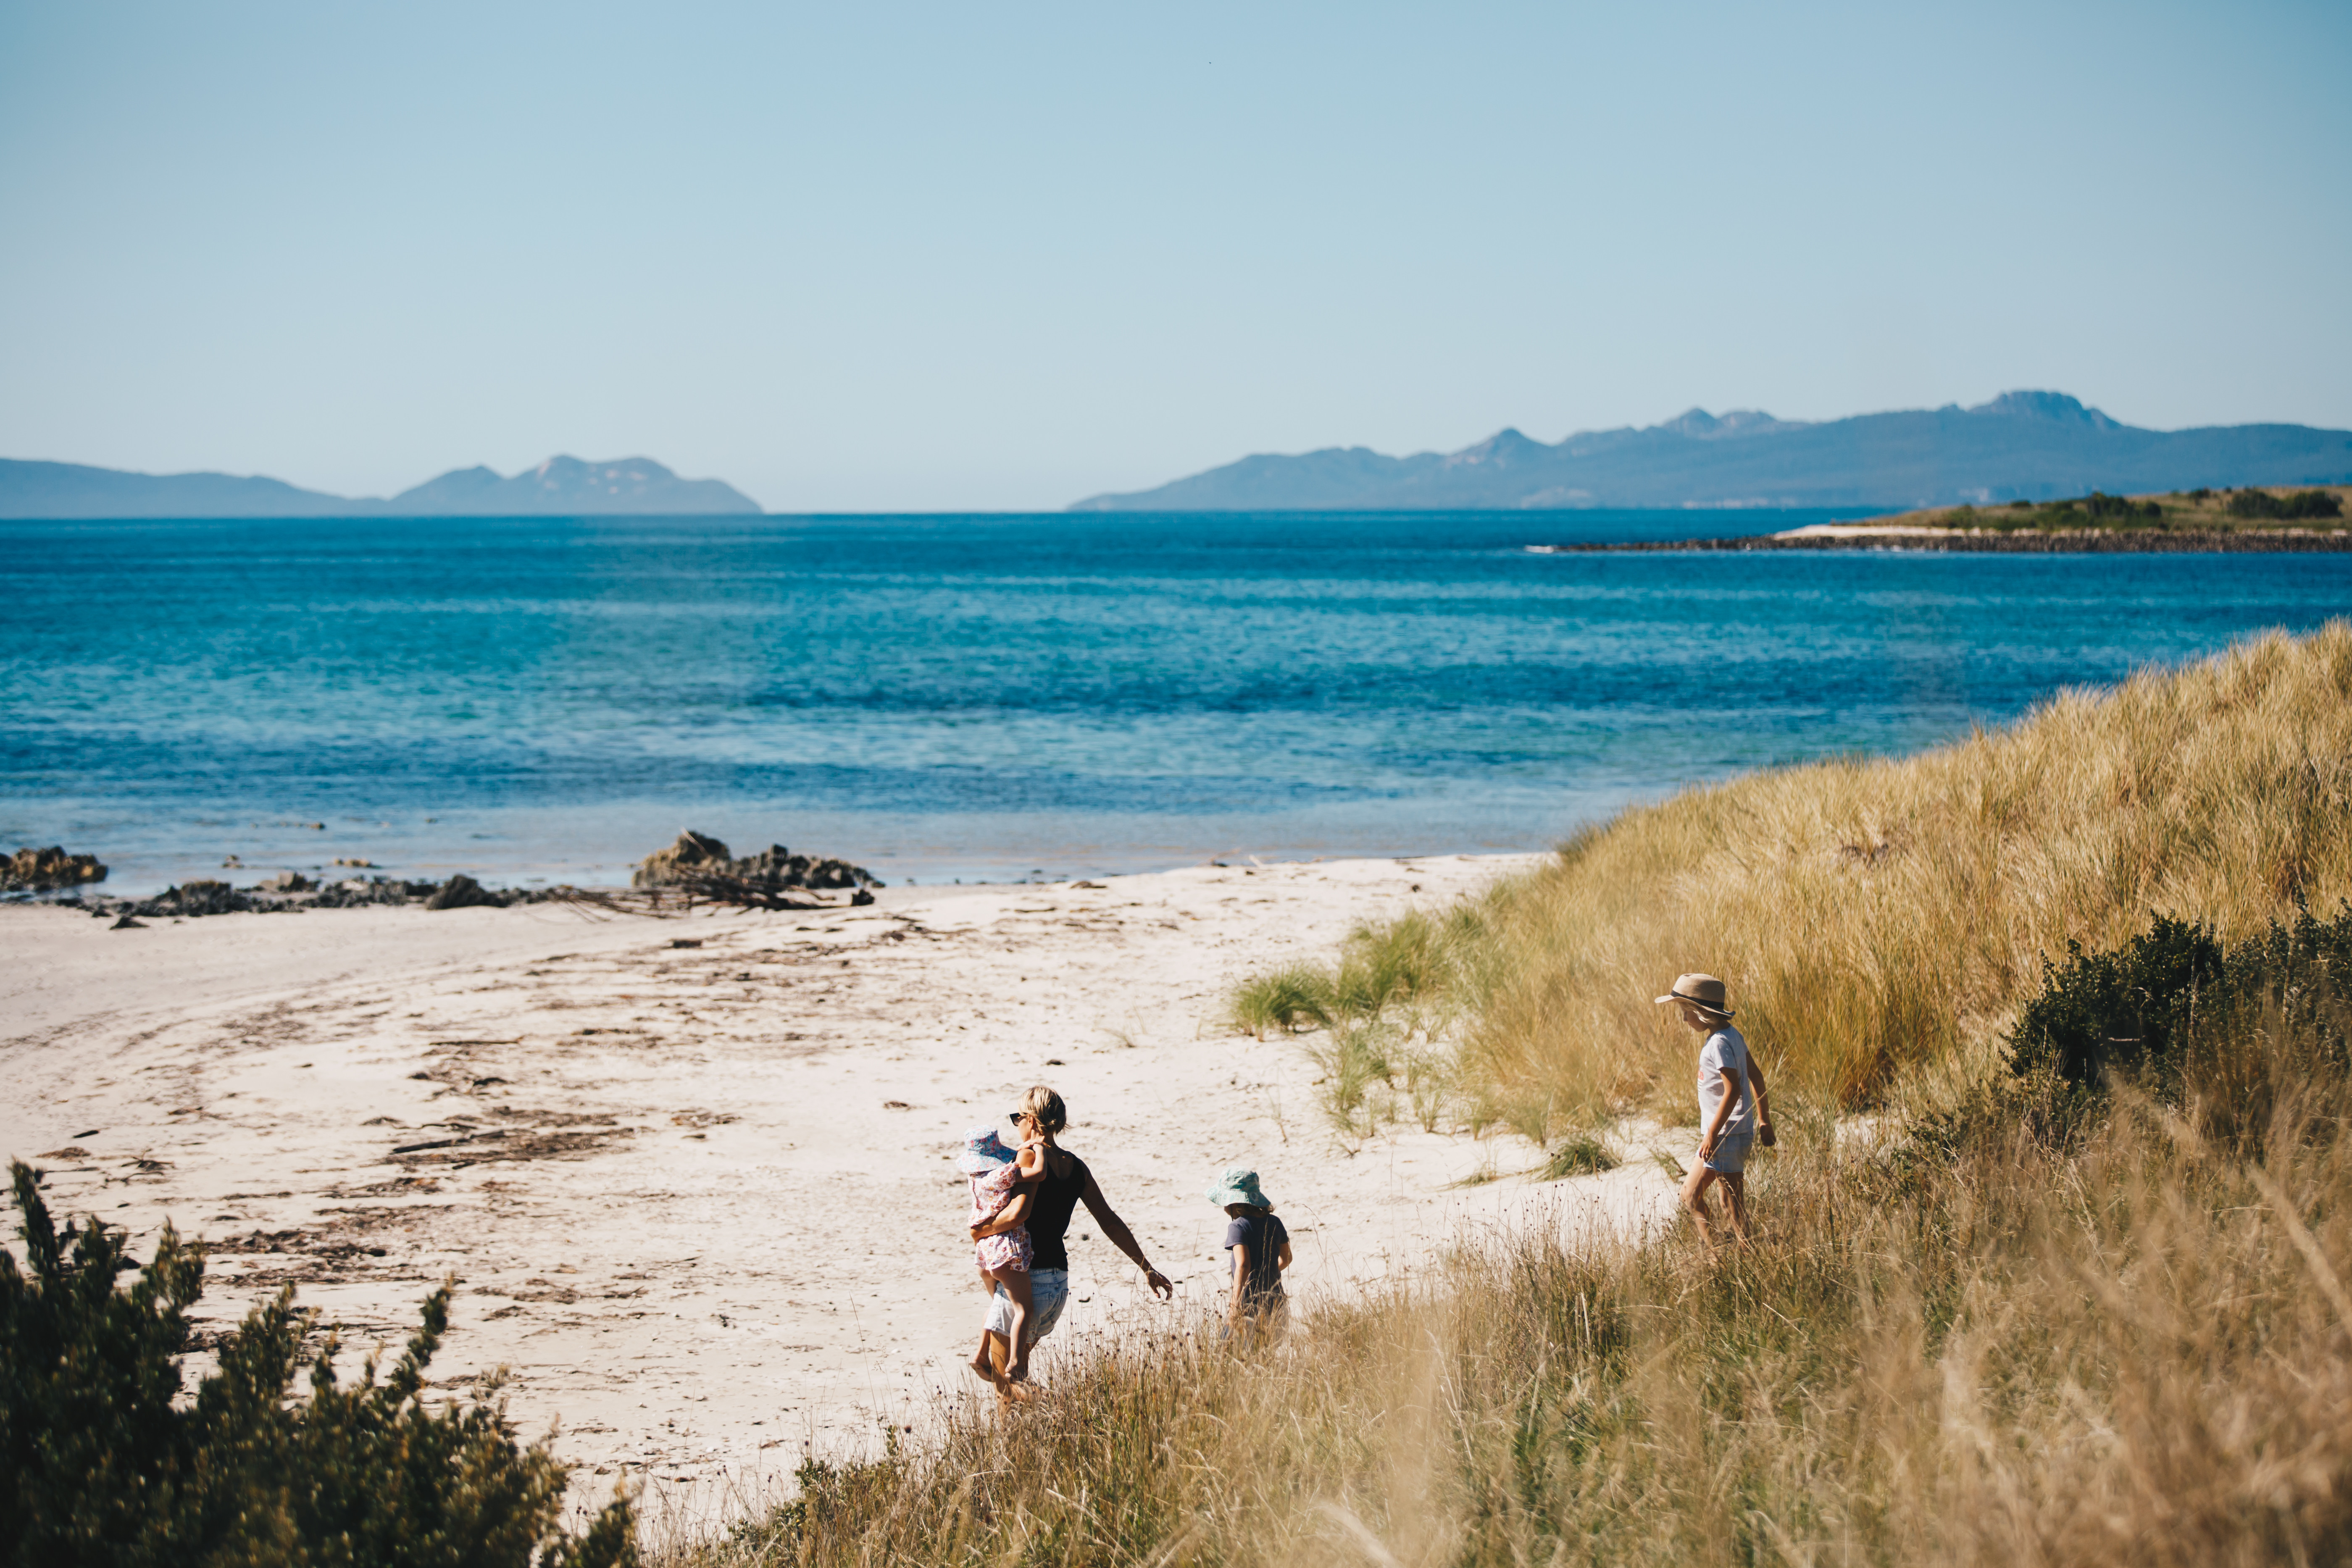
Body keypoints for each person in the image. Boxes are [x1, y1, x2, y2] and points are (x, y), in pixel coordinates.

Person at [968, 1085, 1174, 1392]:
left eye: (1018, 1118)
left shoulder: (1028, 1156)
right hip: (1057, 1284)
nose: (1017, 1126)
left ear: (1033, 1122)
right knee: (1015, 1374)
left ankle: (1051, 1406)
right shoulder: (1075, 1166)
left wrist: (979, 1231)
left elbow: (1018, 1215)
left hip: (1027, 1278)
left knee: (1006, 1389)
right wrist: (1146, 1266)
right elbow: (1109, 1221)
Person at [1655, 972, 1774, 1253]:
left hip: (1724, 1137)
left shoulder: (1718, 1044)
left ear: (1702, 1013)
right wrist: (1764, 1119)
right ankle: (1716, 1254)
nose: (1684, 1019)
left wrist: (1711, 1133)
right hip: (1726, 1136)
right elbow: (1757, 1077)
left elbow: (1734, 1090)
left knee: (1728, 1206)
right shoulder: (1732, 1036)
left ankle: (1738, 1259)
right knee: (1696, 1196)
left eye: (1686, 1013)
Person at [956, 1127, 1045, 1387]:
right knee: (1023, 1308)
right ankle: (1016, 1362)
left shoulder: (976, 1179)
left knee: (998, 1302)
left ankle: (981, 1354)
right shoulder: (1001, 1175)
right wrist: (1037, 1149)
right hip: (1004, 1248)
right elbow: (1038, 1174)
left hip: (983, 1250)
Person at [1207, 1165, 1290, 1342]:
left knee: (1228, 1353)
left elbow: (1244, 1265)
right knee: (1268, 1357)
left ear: (1234, 1203)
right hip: (1277, 1303)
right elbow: (1287, 1258)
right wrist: (1269, 1274)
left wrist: (1234, 1307)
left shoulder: (1238, 1227)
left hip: (1250, 1306)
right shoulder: (1275, 1222)